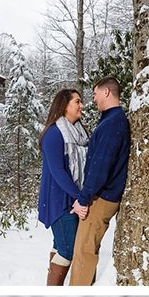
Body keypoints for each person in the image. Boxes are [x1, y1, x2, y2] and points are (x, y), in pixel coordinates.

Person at [68, 77, 130, 286]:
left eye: (94, 94)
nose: (92, 99)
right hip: (101, 194)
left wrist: (85, 198)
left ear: (106, 92)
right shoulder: (111, 120)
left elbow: (101, 165)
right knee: (85, 250)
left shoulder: (113, 123)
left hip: (102, 197)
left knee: (83, 252)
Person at [38, 88, 90, 286]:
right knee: (67, 249)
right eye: (77, 101)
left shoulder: (79, 131)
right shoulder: (54, 133)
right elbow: (58, 171)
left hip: (72, 196)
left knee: (60, 244)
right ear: (64, 105)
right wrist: (79, 197)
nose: (82, 106)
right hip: (59, 200)